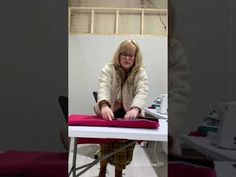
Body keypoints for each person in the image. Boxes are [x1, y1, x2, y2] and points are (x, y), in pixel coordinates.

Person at [94, 39, 149, 177]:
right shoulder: (109, 68)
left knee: (122, 148)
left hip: (129, 116)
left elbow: (142, 91)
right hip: (109, 113)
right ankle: (102, 170)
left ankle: (118, 173)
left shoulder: (140, 72)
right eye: (124, 54)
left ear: (135, 57)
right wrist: (104, 105)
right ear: (119, 55)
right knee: (105, 145)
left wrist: (135, 108)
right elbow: (103, 86)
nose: (127, 58)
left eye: (131, 55)